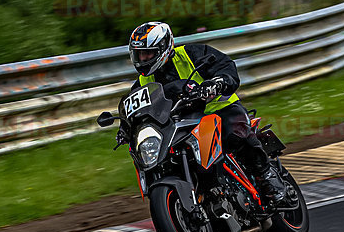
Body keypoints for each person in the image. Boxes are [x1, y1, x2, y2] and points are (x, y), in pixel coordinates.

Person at [122, 21, 287, 203]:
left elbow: (224, 65)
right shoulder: (142, 83)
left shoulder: (192, 54)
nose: (143, 59)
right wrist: (125, 127)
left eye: (148, 53)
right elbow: (137, 111)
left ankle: (266, 175)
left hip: (218, 109)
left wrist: (218, 82)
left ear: (164, 47)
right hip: (180, 125)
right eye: (139, 55)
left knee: (234, 133)